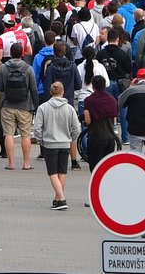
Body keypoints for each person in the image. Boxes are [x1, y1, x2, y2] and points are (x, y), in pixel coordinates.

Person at [34, 82, 82, 210]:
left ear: (50, 92)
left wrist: (40, 140)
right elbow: (76, 128)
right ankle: (57, 199)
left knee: (52, 173)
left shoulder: (43, 108)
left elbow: (37, 128)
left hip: (50, 143)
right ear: (63, 92)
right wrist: (72, 138)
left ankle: (61, 198)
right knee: (62, 172)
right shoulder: (69, 108)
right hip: (65, 143)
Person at [0, 42, 38, 170]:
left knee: (8, 134)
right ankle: (26, 163)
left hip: (8, 105)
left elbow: (0, 87)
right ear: (22, 54)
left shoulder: (3, 68)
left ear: (10, 53)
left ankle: (11, 163)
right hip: (25, 106)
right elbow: (34, 89)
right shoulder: (28, 68)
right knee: (25, 135)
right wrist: (35, 106)